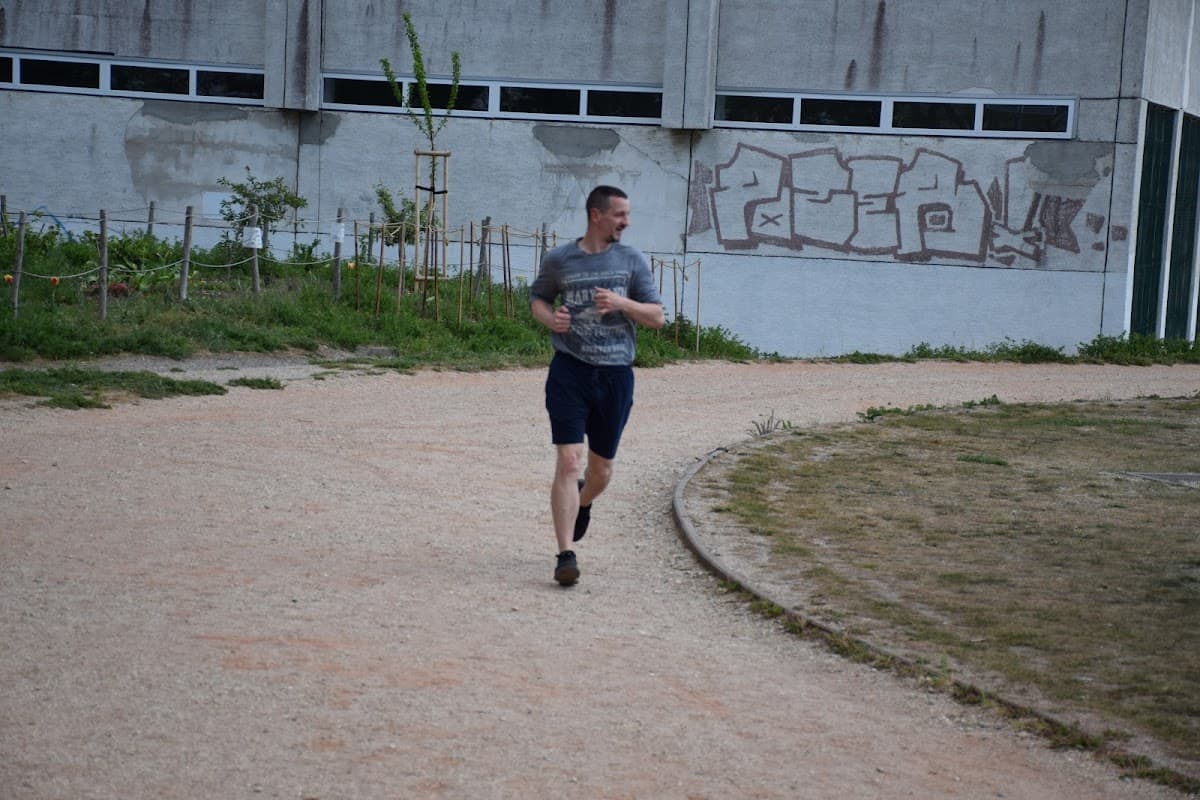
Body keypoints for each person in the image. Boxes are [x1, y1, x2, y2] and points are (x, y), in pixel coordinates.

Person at [530, 185, 665, 586]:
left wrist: (623, 304)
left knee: (600, 471)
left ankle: (583, 503)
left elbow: (657, 316)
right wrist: (549, 319)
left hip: (615, 375)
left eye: (627, 215)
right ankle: (564, 554)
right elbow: (538, 298)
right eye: (620, 214)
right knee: (569, 462)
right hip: (569, 371)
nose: (626, 222)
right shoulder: (560, 259)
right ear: (596, 215)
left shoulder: (631, 260)